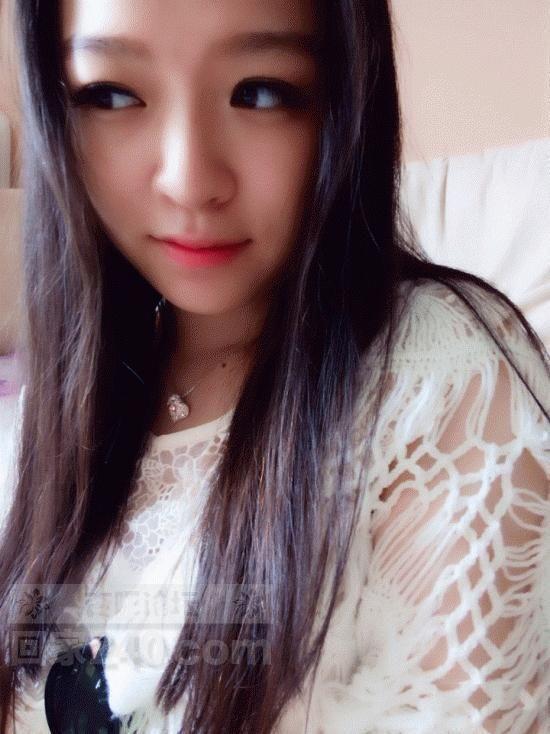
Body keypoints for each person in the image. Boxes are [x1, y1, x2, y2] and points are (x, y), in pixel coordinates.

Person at [0, 0, 548, 732]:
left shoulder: (442, 386)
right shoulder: (62, 395)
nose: (189, 180)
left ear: (345, 102)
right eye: (112, 94)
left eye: (261, 92)